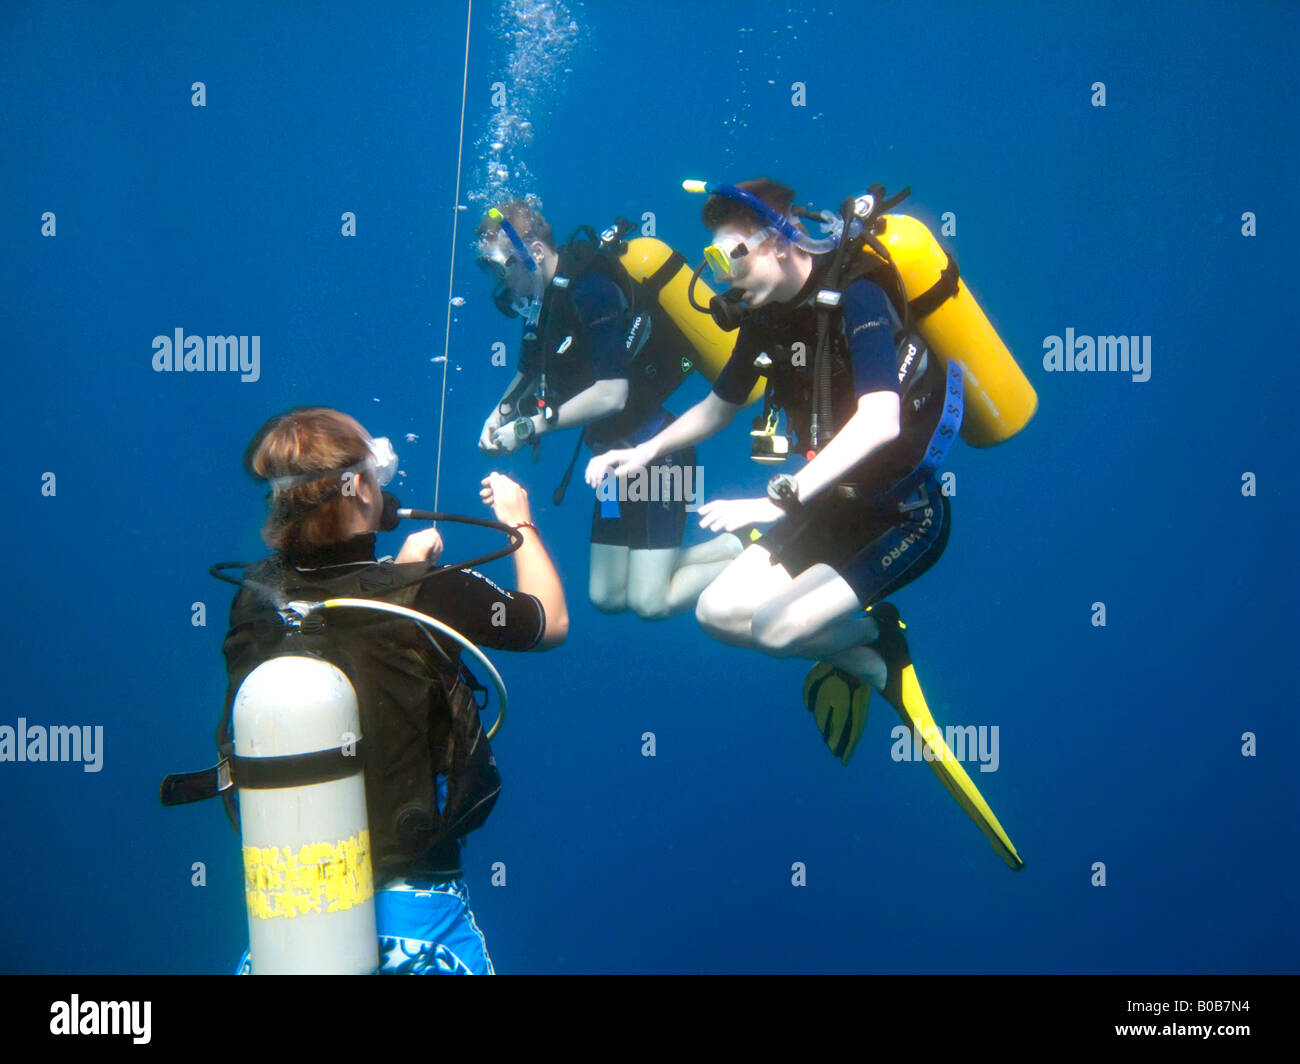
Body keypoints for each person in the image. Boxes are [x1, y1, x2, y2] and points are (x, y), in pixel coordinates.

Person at [586, 178, 1024, 870]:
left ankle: (877, 640)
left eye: (733, 256)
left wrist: (778, 500)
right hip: (828, 503)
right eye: (714, 257)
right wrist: (638, 451)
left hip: (902, 515)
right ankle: (863, 653)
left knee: (776, 627)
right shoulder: (765, 317)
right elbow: (721, 406)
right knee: (716, 613)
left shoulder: (859, 293)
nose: (723, 275)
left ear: (780, 237)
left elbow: (879, 420)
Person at [222, 407, 568, 972]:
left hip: (289, 919)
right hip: (417, 919)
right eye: (378, 467)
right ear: (357, 486)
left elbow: (339, 626)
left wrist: (400, 577)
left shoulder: (254, 601)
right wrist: (518, 522)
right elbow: (549, 622)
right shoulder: (428, 595)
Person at [475, 198, 743, 619]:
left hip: (660, 454)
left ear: (536, 254)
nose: (498, 279)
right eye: (490, 268)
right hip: (610, 460)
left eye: (501, 266)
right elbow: (529, 371)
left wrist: (528, 428)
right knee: (606, 595)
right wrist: (500, 413)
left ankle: (753, 552)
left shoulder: (591, 289)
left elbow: (612, 393)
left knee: (649, 602)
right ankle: (731, 545)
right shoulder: (542, 304)